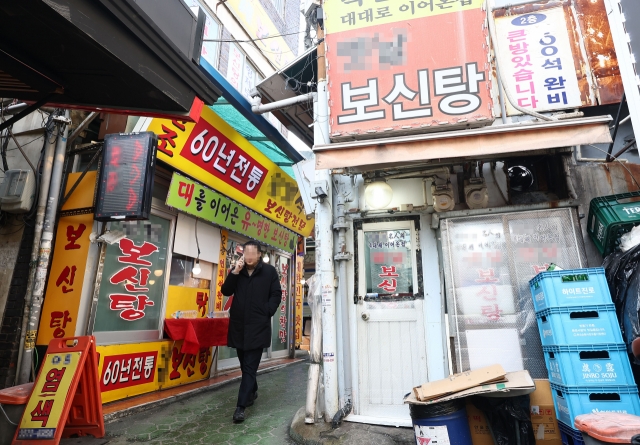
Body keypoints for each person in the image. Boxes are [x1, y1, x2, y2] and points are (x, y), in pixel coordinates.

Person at [221, 240, 281, 423]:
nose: (248, 257)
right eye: (246, 253)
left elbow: (276, 294)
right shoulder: (237, 272)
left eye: (252, 254)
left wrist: (267, 310)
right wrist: (235, 272)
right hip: (239, 325)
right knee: (245, 365)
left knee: (249, 367)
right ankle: (252, 390)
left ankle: (240, 407)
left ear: (259, 255)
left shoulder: (269, 272)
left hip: (257, 325)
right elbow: (225, 291)